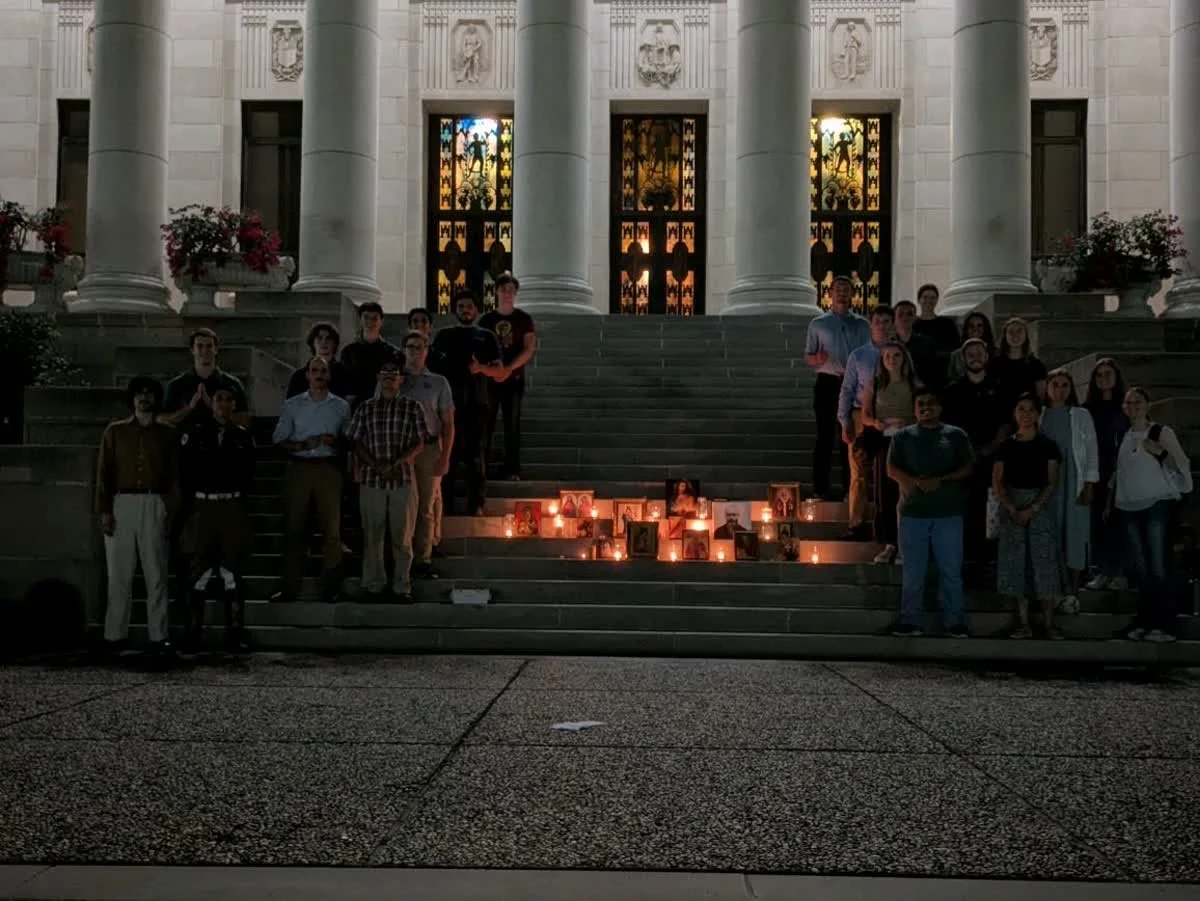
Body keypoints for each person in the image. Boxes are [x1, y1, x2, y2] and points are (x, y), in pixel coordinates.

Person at [94, 377, 180, 660]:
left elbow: (175, 476)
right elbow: (104, 473)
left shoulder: (168, 434)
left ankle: (159, 635)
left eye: (149, 394)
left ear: (157, 399)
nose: (144, 398)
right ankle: (114, 634)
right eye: (139, 394)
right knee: (119, 573)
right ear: (132, 399)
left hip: (154, 501)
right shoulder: (115, 432)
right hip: (123, 502)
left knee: (156, 572)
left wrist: (171, 510)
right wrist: (104, 510)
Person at [886, 390, 975, 638]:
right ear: (914, 409)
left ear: (940, 407)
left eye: (931, 403)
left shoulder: (956, 435)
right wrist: (914, 482)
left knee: (951, 570)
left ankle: (954, 622)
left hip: (948, 513)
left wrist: (941, 480)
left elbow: (968, 466)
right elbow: (891, 468)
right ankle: (910, 620)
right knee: (913, 571)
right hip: (913, 512)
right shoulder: (903, 437)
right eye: (920, 404)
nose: (926, 408)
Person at [1111, 387, 1193, 642]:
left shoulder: (1160, 432)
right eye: (1129, 402)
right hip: (1129, 507)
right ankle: (1145, 620)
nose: (1133, 406)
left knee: (1158, 566)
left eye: (1138, 402)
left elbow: (1181, 464)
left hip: (1156, 504)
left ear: (1147, 405)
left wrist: (1160, 452)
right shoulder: (1122, 436)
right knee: (1143, 568)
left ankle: (1165, 624)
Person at [178, 385, 256, 652]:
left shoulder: (243, 437)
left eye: (228, 400)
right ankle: (192, 633)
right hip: (203, 506)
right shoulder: (196, 434)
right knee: (197, 570)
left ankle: (235, 634)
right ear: (212, 403)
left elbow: (249, 474)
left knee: (232, 570)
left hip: (231, 506)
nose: (223, 404)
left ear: (234, 405)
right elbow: (184, 471)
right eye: (219, 399)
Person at [348, 358, 430, 603]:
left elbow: (420, 442)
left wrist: (395, 463)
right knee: (373, 535)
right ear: (378, 377)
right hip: (371, 479)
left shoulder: (412, 407)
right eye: (384, 373)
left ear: (401, 380)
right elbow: (355, 440)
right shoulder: (365, 408)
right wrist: (376, 465)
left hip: (402, 478)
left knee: (402, 536)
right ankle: (373, 584)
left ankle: (401, 587)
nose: (389, 377)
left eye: (394, 373)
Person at [271, 357, 352, 603]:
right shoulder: (293, 405)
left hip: (328, 468)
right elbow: (279, 439)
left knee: (332, 531)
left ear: (329, 375)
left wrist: (334, 443)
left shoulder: (340, 407)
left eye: (323, 371)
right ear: (306, 375)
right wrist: (304, 444)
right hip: (300, 467)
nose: (318, 375)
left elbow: (349, 441)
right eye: (314, 371)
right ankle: (289, 587)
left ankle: (329, 587)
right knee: (294, 528)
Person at [992, 393, 1063, 639]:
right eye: (1020, 409)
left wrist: (1033, 508)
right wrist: (1012, 508)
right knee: (1017, 565)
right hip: (1012, 506)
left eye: (1030, 409)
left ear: (1037, 414)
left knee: (1044, 565)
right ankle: (1023, 623)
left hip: (1040, 507)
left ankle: (1049, 624)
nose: (1025, 414)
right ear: (1015, 413)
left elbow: (1052, 481)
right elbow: (998, 482)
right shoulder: (1006, 446)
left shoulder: (1048, 445)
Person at [430, 288, 504, 516]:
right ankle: (448, 504)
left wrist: (480, 368)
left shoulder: (487, 336)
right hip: (447, 405)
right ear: (455, 310)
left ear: (477, 309)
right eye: (461, 306)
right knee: (447, 454)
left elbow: (500, 371)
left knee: (476, 454)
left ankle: (476, 504)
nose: (465, 310)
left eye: (469, 306)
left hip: (478, 403)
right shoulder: (443, 336)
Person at [941, 337, 1010, 563]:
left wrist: (990, 448)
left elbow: (1005, 423)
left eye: (979, 352)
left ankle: (989, 560)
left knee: (991, 512)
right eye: (970, 353)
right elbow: (947, 426)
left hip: (992, 461)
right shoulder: (953, 390)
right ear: (963, 359)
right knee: (965, 513)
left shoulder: (1000, 387)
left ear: (987, 356)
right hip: (962, 463)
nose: (975, 357)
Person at [803, 275, 871, 501]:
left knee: (849, 437)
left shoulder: (862, 324)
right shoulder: (818, 324)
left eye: (846, 289)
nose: (842, 293)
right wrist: (818, 358)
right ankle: (820, 488)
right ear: (830, 293)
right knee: (824, 436)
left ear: (852, 294)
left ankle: (847, 489)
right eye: (838, 289)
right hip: (828, 382)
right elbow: (808, 357)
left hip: (853, 384)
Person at [1040, 369, 1099, 615]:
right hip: (1048, 483)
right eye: (1055, 384)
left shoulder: (1080, 414)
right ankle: (1053, 590)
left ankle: (1072, 593)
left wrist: (1090, 482)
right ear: (1048, 387)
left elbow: (1091, 448)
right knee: (1051, 533)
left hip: (1074, 479)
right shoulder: (1040, 415)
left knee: (1075, 534)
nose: (1060, 389)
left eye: (1065, 385)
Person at [400, 329, 454, 579]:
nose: (414, 352)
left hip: (430, 447)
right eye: (410, 347)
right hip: (400, 449)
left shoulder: (439, 382)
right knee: (403, 506)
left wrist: (445, 457)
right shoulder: (395, 380)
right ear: (403, 350)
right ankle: (401, 556)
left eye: (419, 347)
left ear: (426, 351)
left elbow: (448, 423)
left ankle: (423, 558)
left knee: (425, 506)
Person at [837, 303, 894, 538]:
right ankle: (857, 523)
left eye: (886, 321)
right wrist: (844, 421)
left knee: (889, 471)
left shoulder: (897, 354)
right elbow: (847, 389)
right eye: (878, 321)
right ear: (871, 324)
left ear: (892, 324)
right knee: (858, 472)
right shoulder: (859, 355)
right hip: (861, 414)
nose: (881, 325)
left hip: (889, 415)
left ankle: (888, 523)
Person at [861, 340, 920, 563]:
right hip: (884, 443)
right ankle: (889, 544)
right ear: (882, 360)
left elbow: (924, 410)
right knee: (885, 495)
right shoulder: (875, 383)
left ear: (903, 358)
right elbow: (865, 414)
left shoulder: (913, 383)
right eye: (888, 357)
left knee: (907, 493)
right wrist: (876, 423)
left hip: (909, 441)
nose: (892, 360)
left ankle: (909, 543)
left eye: (896, 356)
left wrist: (909, 421)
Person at [478, 272, 537, 480]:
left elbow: (529, 348)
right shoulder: (486, 320)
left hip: (514, 379)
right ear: (496, 292)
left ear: (516, 293)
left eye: (511, 290)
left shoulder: (523, 319)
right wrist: (493, 370)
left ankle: (512, 469)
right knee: (487, 423)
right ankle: (482, 467)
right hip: (490, 380)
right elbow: (481, 348)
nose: (507, 294)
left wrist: (509, 368)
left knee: (512, 423)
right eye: (503, 290)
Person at [1082, 358, 1130, 591]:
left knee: (1119, 521)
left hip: (1122, 470)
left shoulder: (1126, 405)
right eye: (1099, 374)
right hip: (1095, 470)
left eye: (1108, 373)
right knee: (1097, 520)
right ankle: (1101, 570)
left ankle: (1119, 571)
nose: (1103, 378)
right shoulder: (1088, 408)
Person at [340, 302, 402, 409]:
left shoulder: (392, 352)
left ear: (381, 321)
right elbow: (343, 380)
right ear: (360, 320)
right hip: (356, 406)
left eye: (375, 318)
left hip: (384, 406)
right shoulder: (348, 352)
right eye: (366, 317)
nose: (370, 322)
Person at [989, 317, 1048, 409]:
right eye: (1011, 332)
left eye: (1019, 331)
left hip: (1026, 416)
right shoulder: (994, 365)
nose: (1015, 335)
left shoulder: (1037, 365)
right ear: (1005, 336)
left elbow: (1041, 396)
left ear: (1026, 335)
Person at [286, 322, 352, 399]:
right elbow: (291, 405)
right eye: (319, 338)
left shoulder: (345, 374)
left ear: (334, 344)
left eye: (329, 338)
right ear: (313, 343)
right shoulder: (300, 376)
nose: (324, 342)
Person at [891, 299, 941, 388]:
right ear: (894, 318)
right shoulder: (888, 344)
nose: (905, 317)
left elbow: (934, 374)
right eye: (900, 314)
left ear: (915, 318)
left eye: (909, 314)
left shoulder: (926, 344)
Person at [910, 283, 960, 358]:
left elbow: (955, 347)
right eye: (925, 297)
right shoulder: (912, 325)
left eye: (933, 298)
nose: (929, 300)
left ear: (936, 300)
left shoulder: (947, 324)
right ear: (919, 300)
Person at [945, 312, 997, 382]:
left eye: (980, 325)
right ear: (966, 329)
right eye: (971, 326)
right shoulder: (955, 355)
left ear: (985, 328)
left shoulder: (996, 353)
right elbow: (950, 379)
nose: (975, 329)